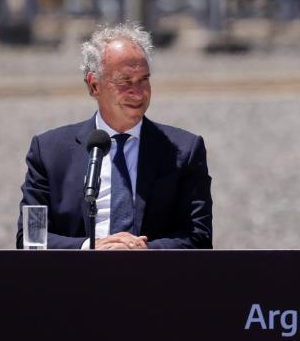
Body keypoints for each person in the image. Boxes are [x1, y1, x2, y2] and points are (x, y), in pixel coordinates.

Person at [17, 23, 213, 249]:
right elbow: (30, 238)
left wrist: (143, 252)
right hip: (75, 279)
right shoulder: (49, 152)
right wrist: (90, 248)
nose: (138, 93)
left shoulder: (184, 150)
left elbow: (199, 238)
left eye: (144, 80)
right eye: (124, 81)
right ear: (93, 85)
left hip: (153, 279)